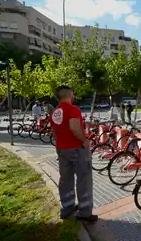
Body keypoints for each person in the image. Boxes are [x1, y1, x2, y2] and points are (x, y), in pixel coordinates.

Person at [49, 85, 98, 222]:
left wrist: (61, 144)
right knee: (84, 180)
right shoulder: (72, 109)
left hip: (62, 150)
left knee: (65, 180)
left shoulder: (55, 112)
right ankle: (85, 212)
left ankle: (67, 207)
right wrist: (84, 140)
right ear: (70, 95)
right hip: (77, 149)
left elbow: (54, 132)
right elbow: (74, 127)